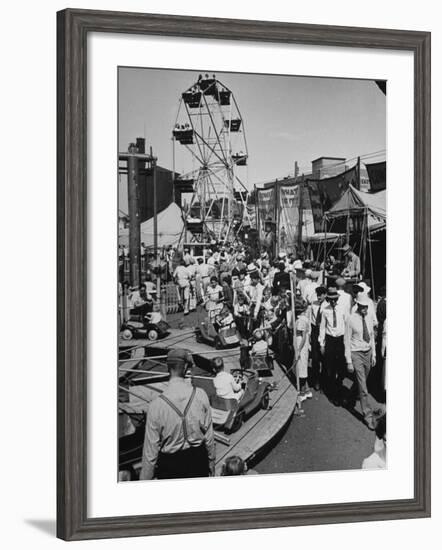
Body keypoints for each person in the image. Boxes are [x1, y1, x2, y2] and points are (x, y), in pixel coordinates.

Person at [139, 349, 216, 480]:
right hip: (198, 462)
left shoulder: (155, 406)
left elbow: (150, 455)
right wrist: (212, 463)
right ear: (186, 367)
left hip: (170, 468)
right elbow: (209, 437)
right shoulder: (200, 395)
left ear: (168, 368)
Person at [345, 294, 377, 430]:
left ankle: (350, 395)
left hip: (367, 352)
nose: (365, 310)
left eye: (366, 307)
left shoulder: (369, 317)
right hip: (356, 353)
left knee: (362, 381)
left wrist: (373, 354)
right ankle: (368, 416)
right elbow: (346, 341)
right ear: (358, 305)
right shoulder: (351, 319)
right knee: (364, 388)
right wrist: (349, 361)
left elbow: (371, 336)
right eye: (363, 307)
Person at [319, 286, 348, 405]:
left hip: (341, 340)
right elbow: (322, 327)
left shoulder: (342, 309)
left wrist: (348, 342)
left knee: (341, 367)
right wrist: (322, 343)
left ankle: (339, 386)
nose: (333, 302)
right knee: (330, 366)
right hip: (330, 340)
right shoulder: (325, 310)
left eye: (335, 299)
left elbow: (347, 324)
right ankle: (332, 393)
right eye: (331, 299)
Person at [309, 285, 327, 390]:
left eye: (321, 295)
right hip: (315, 331)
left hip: (324, 331)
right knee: (315, 358)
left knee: (324, 357)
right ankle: (316, 380)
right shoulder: (314, 304)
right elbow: (311, 319)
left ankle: (324, 380)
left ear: (325, 295)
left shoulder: (327, 306)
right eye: (317, 295)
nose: (319, 297)